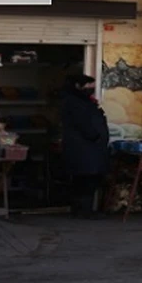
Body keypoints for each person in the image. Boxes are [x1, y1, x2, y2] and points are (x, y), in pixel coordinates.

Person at [60, 74, 110, 219]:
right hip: (84, 149)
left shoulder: (84, 101)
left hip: (90, 149)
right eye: (88, 85)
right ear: (78, 86)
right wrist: (95, 136)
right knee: (86, 179)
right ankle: (83, 210)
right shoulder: (74, 102)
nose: (91, 89)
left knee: (87, 179)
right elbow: (83, 123)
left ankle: (82, 209)